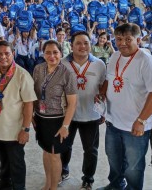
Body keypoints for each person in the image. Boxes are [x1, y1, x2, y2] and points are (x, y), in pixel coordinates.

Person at [98, 23, 152, 190]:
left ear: (138, 39)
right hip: (113, 121)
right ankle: (115, 185)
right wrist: (102, 96)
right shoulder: (115, 57)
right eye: (119, 39)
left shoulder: (145, 60)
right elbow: (110, 79)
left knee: (134, 167)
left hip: (135, 125)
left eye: (128, 39)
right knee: (114, 160)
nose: (123, 43)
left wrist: (141, 120)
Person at [0, 41, 37, 190]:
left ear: (13, 54)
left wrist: (25, 130)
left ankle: (19, 187)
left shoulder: (22, 75)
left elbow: (29, 104)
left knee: (16, 161)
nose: (3, 57)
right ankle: (5, 182)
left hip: (15, 129)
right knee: (4, 158)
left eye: (7, 53)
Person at [59, 31, 106, 190]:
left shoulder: (99, 64)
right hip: (67, 116)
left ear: (90, 45)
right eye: (78, 43)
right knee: (64, 146)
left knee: (91, 150)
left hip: (91, 115)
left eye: (86, 43)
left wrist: (102, 111)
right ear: (71, 46)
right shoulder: (62, 63)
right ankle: (63, 171)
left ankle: (88, 179)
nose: (82, 46)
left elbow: (102, 88)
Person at [33, 40, 77, 190]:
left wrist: (66, 125)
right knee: (46, 151)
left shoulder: (67, 73)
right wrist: (33, 114)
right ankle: (48, 183)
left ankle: (54, 187)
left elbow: (72, 103)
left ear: (61, 54)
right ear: (43, 54)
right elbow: (34, 94)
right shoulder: (38, 69)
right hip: (41, 118)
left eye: (55, 52)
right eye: (48, 52)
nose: (52, 56)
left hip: (58, 120)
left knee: (54, 154)